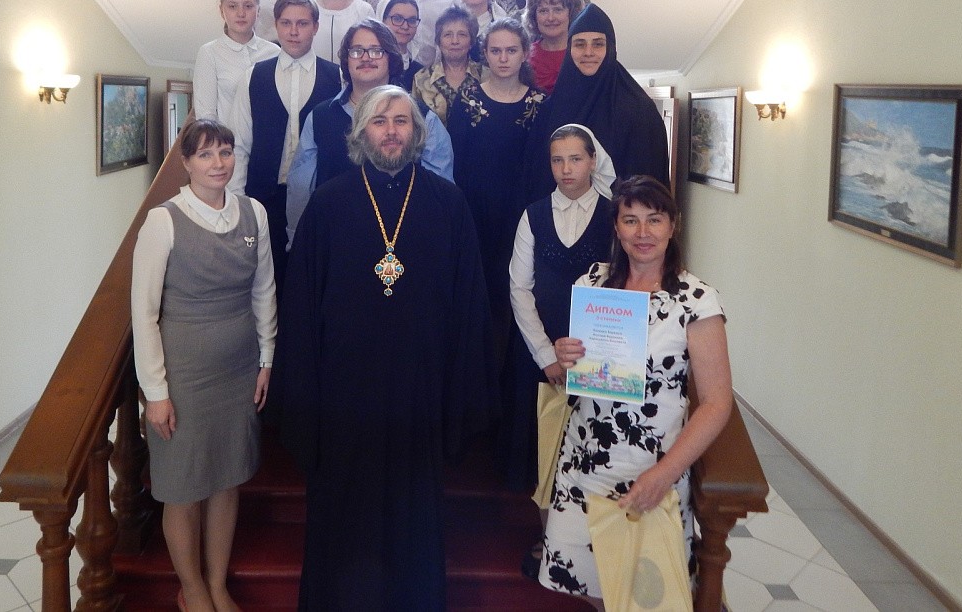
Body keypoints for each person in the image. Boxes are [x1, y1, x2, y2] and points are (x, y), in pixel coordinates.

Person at [273, 85, 495, 611]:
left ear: (417, 132)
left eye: (401, 121)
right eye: (379, 121)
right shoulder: (328, 203)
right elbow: (302, 308)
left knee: (413, 515)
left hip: (421, 389)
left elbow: (469, 306)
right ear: (360, 133)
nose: (391, 131)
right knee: (343, 512)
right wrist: (303, 396)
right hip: (344, 392)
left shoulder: (448, 204)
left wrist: (459, 394)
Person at [538, 176, 733, 609]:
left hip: (652, 468)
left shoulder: (696, 301)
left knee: (644, 594)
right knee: (590, 585)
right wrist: (565, 356)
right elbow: (580, 377)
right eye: (630, 220)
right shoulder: (593, 283)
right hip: (584, 462)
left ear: (673, 226)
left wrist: (663, 475)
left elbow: (718, 403)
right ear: (616, 227)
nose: (643, 232)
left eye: (654, 219)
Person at [131, 119, 276, 612]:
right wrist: (156, 393)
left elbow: (264, 291)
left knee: (227, 480)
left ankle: (216, 584)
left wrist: (266, 358)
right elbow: (144, 313)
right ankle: (190, 588)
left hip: (239, 368)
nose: (219, 163)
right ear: (187, 163)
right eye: (207, 154)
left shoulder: (254, 213)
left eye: (226, 152)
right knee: (184, 487)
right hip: (184, 376)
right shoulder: (163, 221)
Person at [506, 125, 616, 495]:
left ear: (593, 161)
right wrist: (545, 354)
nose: (566, 169)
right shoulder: (533, 216)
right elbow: (520, 288)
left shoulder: (615, 216)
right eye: (557, 160)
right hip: (541, 343)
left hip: (596, 347)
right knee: (542, 452)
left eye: (575, 159)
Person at [285, 19, 454, 244]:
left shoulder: (422, 118)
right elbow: (300, 187)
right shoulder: (320, 117)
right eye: (357, 51)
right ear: (346, 61)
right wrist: (298, 240)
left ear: (391, 58)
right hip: (336, 240)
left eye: (376, 51)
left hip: (408, 240)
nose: (365, 58)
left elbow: (441, 191)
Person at [447, 19, 545, 380]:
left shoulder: (539, 104)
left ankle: (511, 385)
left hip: (521, 219)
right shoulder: (467, 101)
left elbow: (540, 168)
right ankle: (477, 383)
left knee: (516, 297)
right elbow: (455, 164)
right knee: (479, 300)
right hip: (475, 217)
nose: (503, 58)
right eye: (496, 50)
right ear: (484, 54)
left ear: (525, 53)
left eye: (511, 50)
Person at [229, 0, 341, 286]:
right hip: (264, 197)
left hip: (318, 197)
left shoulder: (337, 77)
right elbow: (239, 144)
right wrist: (239, 202)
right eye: (286, 23)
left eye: (302, 23)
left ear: (315, 27)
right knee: (267, 280)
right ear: (276, 25)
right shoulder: (253, 76)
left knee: (316, 278)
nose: (293, 31)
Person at [523, 3, 670, 201]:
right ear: (569, 48)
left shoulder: (639, 110)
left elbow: (650, 187)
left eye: (598, 44)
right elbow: (536, 179)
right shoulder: (550, 110)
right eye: (580, 44)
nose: (588, 52)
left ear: (611, 48)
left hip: (618, 217)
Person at [192, 0, 279, 126]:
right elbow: (206, 116)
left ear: (258, 10)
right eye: (233, 6)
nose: (241, 13)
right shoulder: (209, 53)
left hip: (269, 137)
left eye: (248, 6)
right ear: (222, 11)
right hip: (227, 139)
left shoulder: (274, 52)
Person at [411, 5, 481, 124]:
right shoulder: (421, 79)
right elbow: (416, 124)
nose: (455, 41)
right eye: (448, 35)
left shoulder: (486, 76)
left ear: (471, 41)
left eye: (462, 34)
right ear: (439, 41)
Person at [523, 0, 577, 94]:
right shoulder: (525, 56)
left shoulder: (582, 52)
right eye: (543, 11)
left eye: (558, 10)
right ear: (534, 16)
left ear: (571, 13)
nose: (551, 18)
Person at [381, 0, 425, 91]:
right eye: (397, 19)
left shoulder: (419, 72)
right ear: (382, 20)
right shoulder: (372, 64)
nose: (405, 26)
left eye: (412, 20)